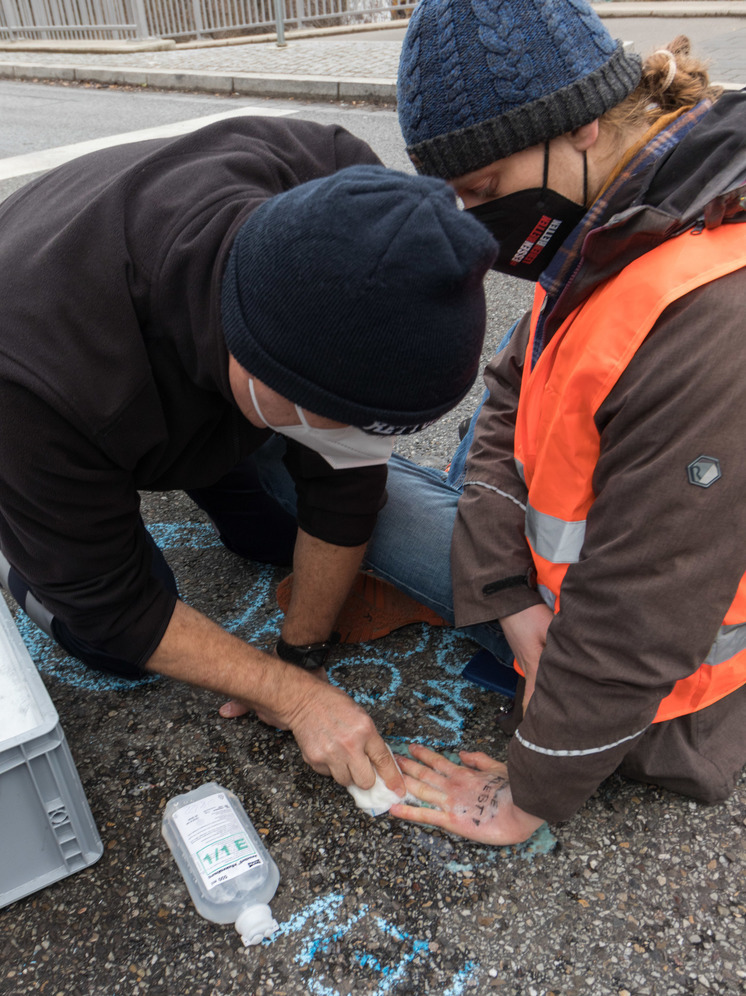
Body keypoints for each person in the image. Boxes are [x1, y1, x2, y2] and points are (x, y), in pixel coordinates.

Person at [0, 116, 498, 797]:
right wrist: (294, 698)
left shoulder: (344, 195)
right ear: (257, 364)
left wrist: (302, 653)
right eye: (342, 419)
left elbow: (346, 478)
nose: (362, 443)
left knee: (275, 539)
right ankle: (19, 546)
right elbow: (116, 608)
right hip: (46, 372)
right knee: (109, 643)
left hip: (181, 360)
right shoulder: (34, 382)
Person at [360, 0, 746, 843]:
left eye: (484, 190)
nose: (481, 228)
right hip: (562, 618)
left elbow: (644, 607)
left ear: (581, 126)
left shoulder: (716, 309)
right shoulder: (618, 216)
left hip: (672, 708)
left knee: (356, 493)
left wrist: (530, 793)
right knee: (384, 483)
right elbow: (511, 393)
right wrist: (506, 596)